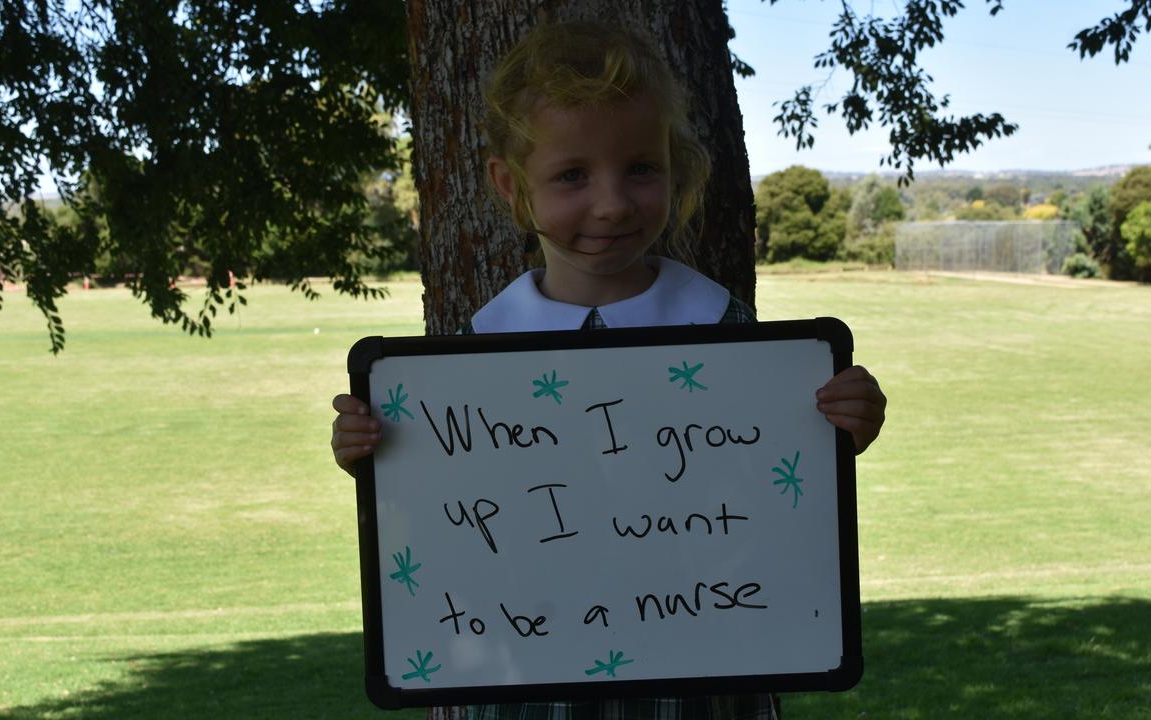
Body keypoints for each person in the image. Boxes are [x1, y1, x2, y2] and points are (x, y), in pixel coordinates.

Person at [331, 20, 886, 720]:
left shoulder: (727, 333)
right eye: (571, 175)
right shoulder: (471, 356)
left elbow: (773, 497)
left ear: (673, 168)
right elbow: (447, 521)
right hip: (518, 688)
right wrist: (378, 457)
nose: (613, 203)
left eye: (640, 169)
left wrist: (840, 425)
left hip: (702, 684)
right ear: (511, 185)